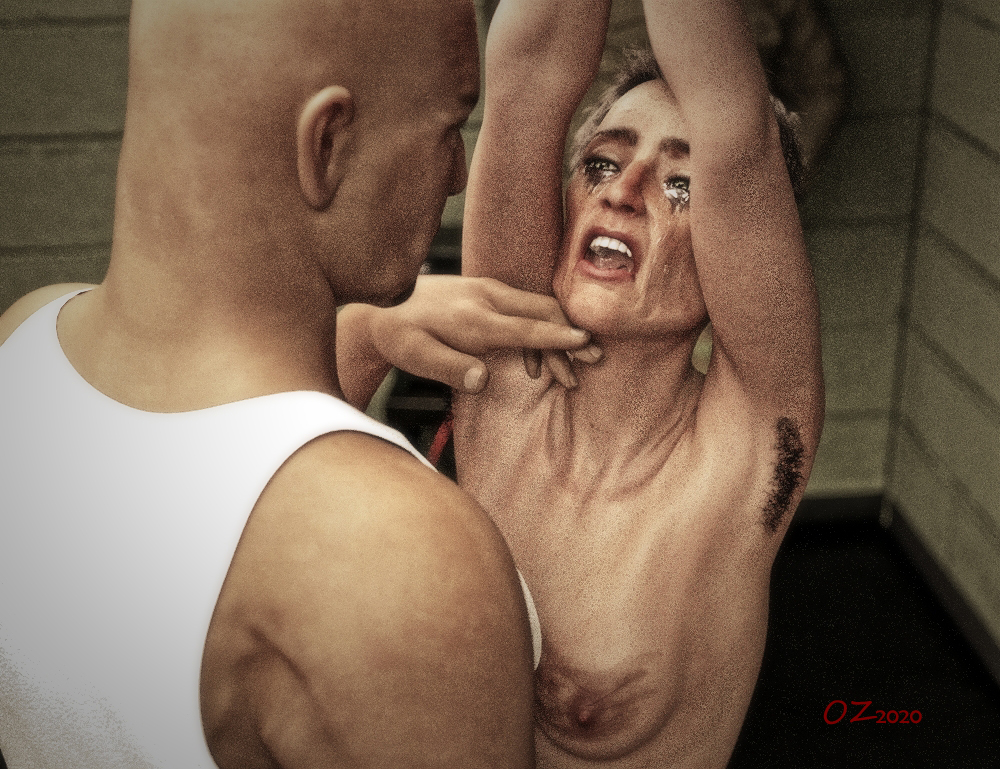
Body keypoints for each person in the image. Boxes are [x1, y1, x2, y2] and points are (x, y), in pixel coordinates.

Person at [0, 0, 595, 766]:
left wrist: (363, 332)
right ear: (328, 143)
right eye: (449, 126)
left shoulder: (26, 340)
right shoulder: (395, 558)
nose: (457, 173)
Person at [445, 0, 825, 765]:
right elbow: (529, 70)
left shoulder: (745, 451)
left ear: (738, 249)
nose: (624, 189)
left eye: (681, 185)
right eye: (602, 163)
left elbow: (736, 133)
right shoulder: (509, 377)